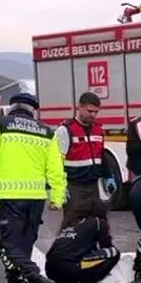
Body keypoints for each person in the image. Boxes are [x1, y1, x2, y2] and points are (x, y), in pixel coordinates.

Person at [0, 93, 65, 283]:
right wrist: (56, 196)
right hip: (35, 199)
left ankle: (33, 278)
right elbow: (56, 168)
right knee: (25, 243)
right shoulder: (47, 132)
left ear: (12, 108)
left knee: (9, 243)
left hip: (7, 196)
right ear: (33, 110)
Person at [55, 92, 114, 226]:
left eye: (96, 112)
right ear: (79, 107)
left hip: (94, 186)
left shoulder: (98, 130)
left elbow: (101, 156)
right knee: (73, 227)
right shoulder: (65, 130)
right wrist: (59, 188)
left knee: (99, 224)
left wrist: (108, 176)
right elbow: (56, 162)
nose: (93, 115)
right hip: (74, 186)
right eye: (89, 111)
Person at [45, 213, 120, 283]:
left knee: (71, 257)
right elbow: (106, 245)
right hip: (70, 269)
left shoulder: (69, 223)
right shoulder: (97, 222)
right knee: (113, 252)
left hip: (50, 270)